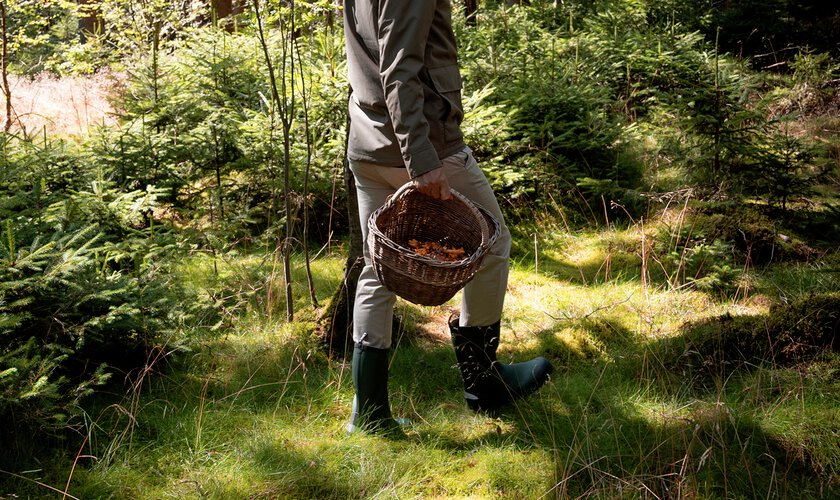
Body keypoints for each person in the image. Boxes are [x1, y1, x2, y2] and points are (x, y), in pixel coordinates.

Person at [343, 0, 553, 436]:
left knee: (375, 268)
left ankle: (369, 413)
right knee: (491, 243)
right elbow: (399, 69)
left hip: (367, 143)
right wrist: (422, 161)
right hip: (423, 147)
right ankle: (485, 384)